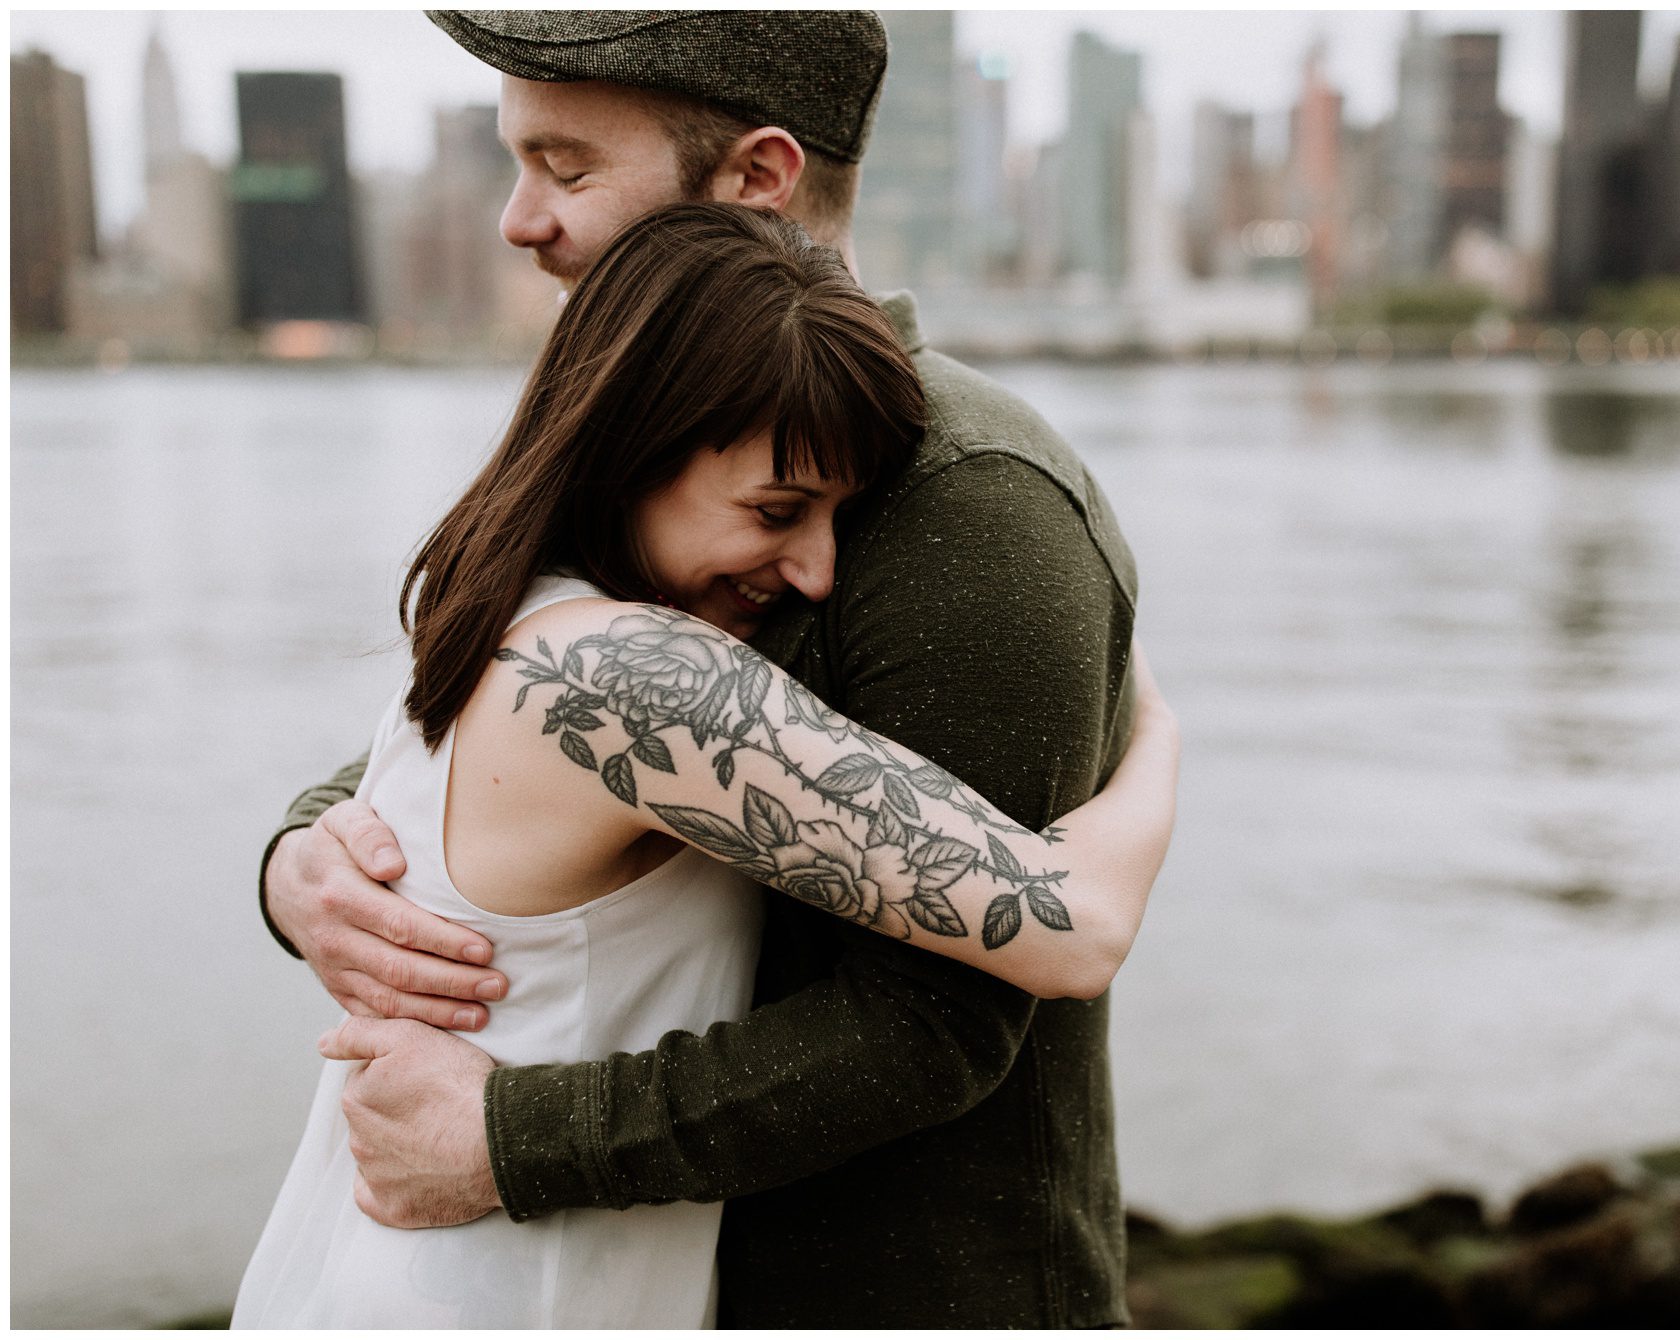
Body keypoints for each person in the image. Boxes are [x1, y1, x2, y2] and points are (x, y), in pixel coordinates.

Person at [258, 10, 1154, 1327]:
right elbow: (537, 729)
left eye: (566, 169)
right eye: (784, 514)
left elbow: (939, 1023)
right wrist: (297, 858)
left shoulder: (970, 502)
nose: (519, 221)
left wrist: (514, 1134)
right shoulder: (638, 528)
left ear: (757, 184)